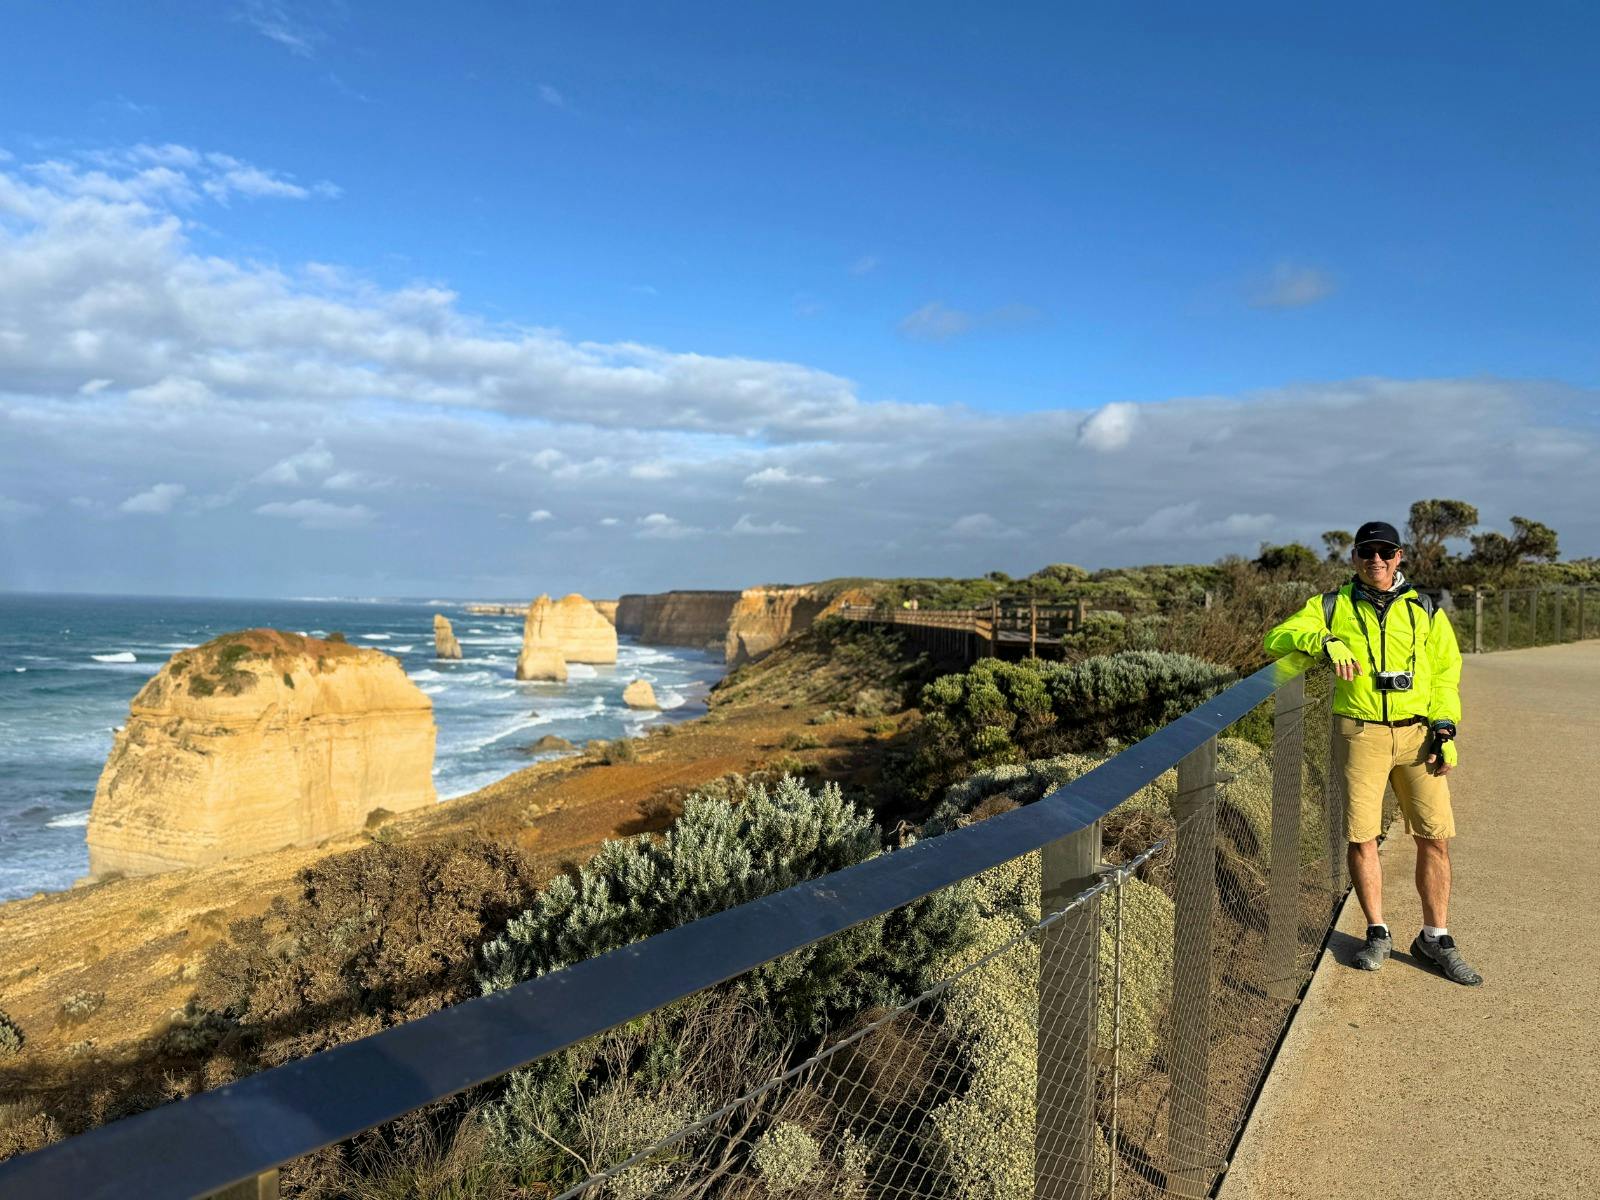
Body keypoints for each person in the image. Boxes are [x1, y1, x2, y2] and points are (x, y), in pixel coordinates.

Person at [1264, 520, 1482, 985]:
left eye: (1385, 552)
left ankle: (1435, 937)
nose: (1376, 561)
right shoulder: (1330, 605)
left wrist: (1445, 728)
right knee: (1362, 836)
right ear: (1355, 558)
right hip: (1361, 732)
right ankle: (1376, 931)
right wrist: (1324, 639)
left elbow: (1446, 671)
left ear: (1399, 557)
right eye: (1367, 552)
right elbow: (1278, 637)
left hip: (1419, 734)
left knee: (1435, 836)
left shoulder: (1424, 608)